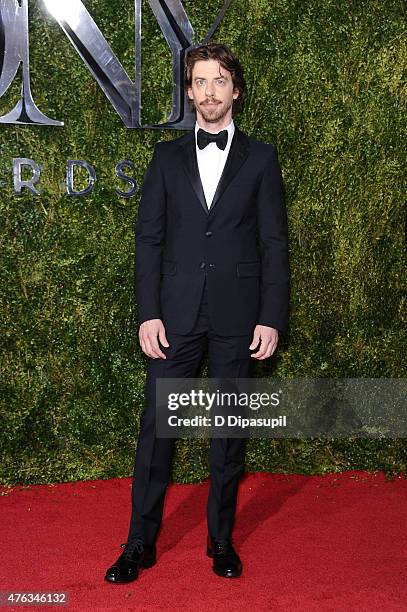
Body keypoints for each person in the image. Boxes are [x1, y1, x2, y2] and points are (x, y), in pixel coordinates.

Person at [105, 42, 290, 583]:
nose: (209, 91)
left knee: (228, 435)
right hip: (175, 317)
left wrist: (270, 316)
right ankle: (138, 543)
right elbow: (149, 240)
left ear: (235, 90)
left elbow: (274, 243)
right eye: (200, 82)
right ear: (189, 93)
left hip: (240, 316)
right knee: (157, 432)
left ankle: (221, 540)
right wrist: (149, 313)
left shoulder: (262, 159)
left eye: (219, 81)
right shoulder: (165, 159)